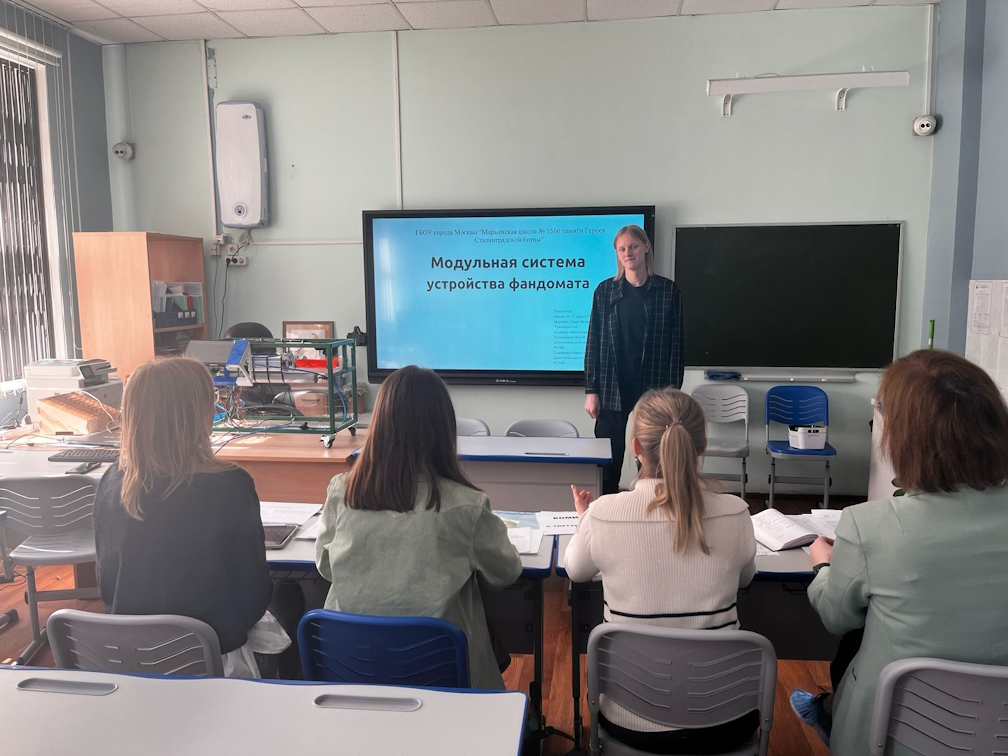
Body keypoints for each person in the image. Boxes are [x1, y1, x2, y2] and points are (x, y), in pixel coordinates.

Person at [791, 350, 1008, 755]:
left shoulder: (870, 525)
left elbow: (836, 616)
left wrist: (823, 565)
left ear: (903, 435)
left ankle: (827, 712)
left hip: (891, 731)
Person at [564, 387, 757, 753]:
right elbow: (745, 578)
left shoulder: (604, 514)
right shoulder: (736, 512)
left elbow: (575, 570)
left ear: (636, 448)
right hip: (725, 718)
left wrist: (583, 520)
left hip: (629, 718)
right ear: (701, 447)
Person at [315, 365, 522, 689]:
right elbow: (505, 573)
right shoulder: (467, 506)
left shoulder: (342, 491)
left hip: (354, 670)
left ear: (380, 424)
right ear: (443, 428)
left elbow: (326, 566)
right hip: (443, 679)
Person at [94, 358, 281, 677]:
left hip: (129, 659)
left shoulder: (111, 482)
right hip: (211, 659)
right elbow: (254, 594)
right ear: (197, 415)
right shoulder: (230, 484)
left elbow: (107, 584)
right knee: (289, 605)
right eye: (212, 401)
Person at [584, 224, 685, 494]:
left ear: (646, 247)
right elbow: (593, 342)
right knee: (608, 457)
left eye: (633, 246)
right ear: (617, 254)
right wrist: (591, 390)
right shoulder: (605, 292)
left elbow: (677, 347)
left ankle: (649, 504)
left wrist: (673, 392)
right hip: (611, 385)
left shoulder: (668, 292)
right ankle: (606, 507)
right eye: (622, 249)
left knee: (653, 457)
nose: (628, 253)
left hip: (654, 386)